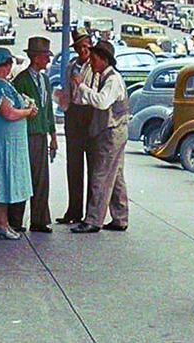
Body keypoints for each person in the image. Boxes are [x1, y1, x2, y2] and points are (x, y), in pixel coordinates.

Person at [69, 39, 129, 234]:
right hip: (113, 130)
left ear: (104, 60)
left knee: (101, 175)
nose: (91, 63)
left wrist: (82, 87)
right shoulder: (104, 76)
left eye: (94, 59)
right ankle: (120, 217)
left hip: (112, 132)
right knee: (116, 175)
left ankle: (94, 219)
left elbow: (102, 102)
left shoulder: (112, 80)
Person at [0, 46, 37, 241]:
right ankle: (1, 223)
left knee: (3, 178)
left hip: (6, 140)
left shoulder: (1, 84)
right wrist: (27, 112)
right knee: (2, 178)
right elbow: (8, 113)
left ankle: (3, 223)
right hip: (3, 141)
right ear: (6, 64)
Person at [9, 36, 57, 233]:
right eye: (46, 56)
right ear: (36, 58)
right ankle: (15, 220)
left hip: (40, 133)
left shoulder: (45, 80)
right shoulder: (21, 80)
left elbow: (48, 110)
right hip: (25, 134)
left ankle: (39, 219)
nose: (48, 60)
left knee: (41, 178)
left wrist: (53, 135)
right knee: (22, 176)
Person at [56, 28, 93, 225]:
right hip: (73, 114)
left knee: (94, 167)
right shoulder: (71, 65)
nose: (82, 49)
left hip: (90, 114)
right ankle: (74, 210)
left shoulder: (95, 66)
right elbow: (67, 90)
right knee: (74, 165)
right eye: (79, 46)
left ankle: (92, 213)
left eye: (85, 45)